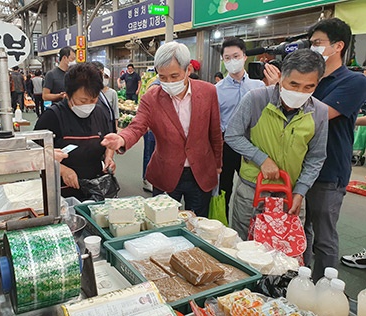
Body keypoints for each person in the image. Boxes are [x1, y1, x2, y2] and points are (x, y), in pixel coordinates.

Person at [102, 41, 223, 216]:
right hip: (166, 172)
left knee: (198, 223)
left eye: (174, 76)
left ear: (188, 70)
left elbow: (215, 133)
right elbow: (138, 125)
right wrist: (122, 138)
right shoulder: (152, 97)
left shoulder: (208, 92)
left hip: (200, 172)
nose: (168, 82)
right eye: (163, 77)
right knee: (163, 225)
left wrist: (217, 164)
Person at [225, 49, 329, 241]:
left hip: (291, 195)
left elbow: (316, 157)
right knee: (244, 248)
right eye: (294, 84)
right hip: (252, 192)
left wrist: (301, 191)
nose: (299, 92)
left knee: (284, 254)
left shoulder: (320, 112)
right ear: (281, 77)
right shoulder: (256, 99)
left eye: (309, 87)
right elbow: (232, 134)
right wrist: (261, 159)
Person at [304, 17, 366, 281]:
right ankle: (299, 281)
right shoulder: (311, 79)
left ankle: (323, 289)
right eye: (311, 44)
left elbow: (319, 115)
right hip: (302, 165)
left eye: (318, 43)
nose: (313, 48)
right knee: (300, 230)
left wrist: (289, 91)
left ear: (338, 45)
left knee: (324, 236)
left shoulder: (353, 81)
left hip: (329, 170)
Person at [34, 63, 115, 201]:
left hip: (95, 186)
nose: (88, 104)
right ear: (68, 94)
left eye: (93, 99)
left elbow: (108, 141)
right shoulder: (52, 116)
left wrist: (109, 157)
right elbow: (35, 153)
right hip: (62, 191)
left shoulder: (100, 112)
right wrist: (63, 170)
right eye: (83, 100)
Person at [216, 37, 265, 221]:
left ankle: (253, 225)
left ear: (245, 56)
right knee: (224, 187)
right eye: (227, 58)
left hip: (252, 145)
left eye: (236, 56)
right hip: (227, 144)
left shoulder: (258, 86)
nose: (232, 61)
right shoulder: (217, 90)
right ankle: (222, 224)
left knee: (251, 187)